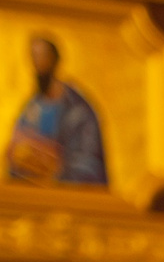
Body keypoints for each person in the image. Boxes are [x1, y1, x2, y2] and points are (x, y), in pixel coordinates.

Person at [6, 36, 107, 186]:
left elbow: (91, 165)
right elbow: (16, 151)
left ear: (55, 59)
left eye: (43, 56)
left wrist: (56, 165)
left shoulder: (78, 109)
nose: (38, 63)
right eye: (34, 56)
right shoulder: (32, 106)